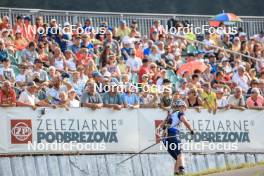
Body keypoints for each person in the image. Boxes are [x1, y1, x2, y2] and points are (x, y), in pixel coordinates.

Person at [160, 100, 194, 175]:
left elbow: (161, 126)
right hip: (173, 134)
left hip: (165, 138)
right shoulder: (180, 113)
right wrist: (191, 130)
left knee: (177, 158)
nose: (185, 109)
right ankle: (182, 171)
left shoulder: (169, 115)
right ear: (181, 107)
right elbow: (184, 121)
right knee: (180, 154)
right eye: (184, 107)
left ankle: (176, 173)